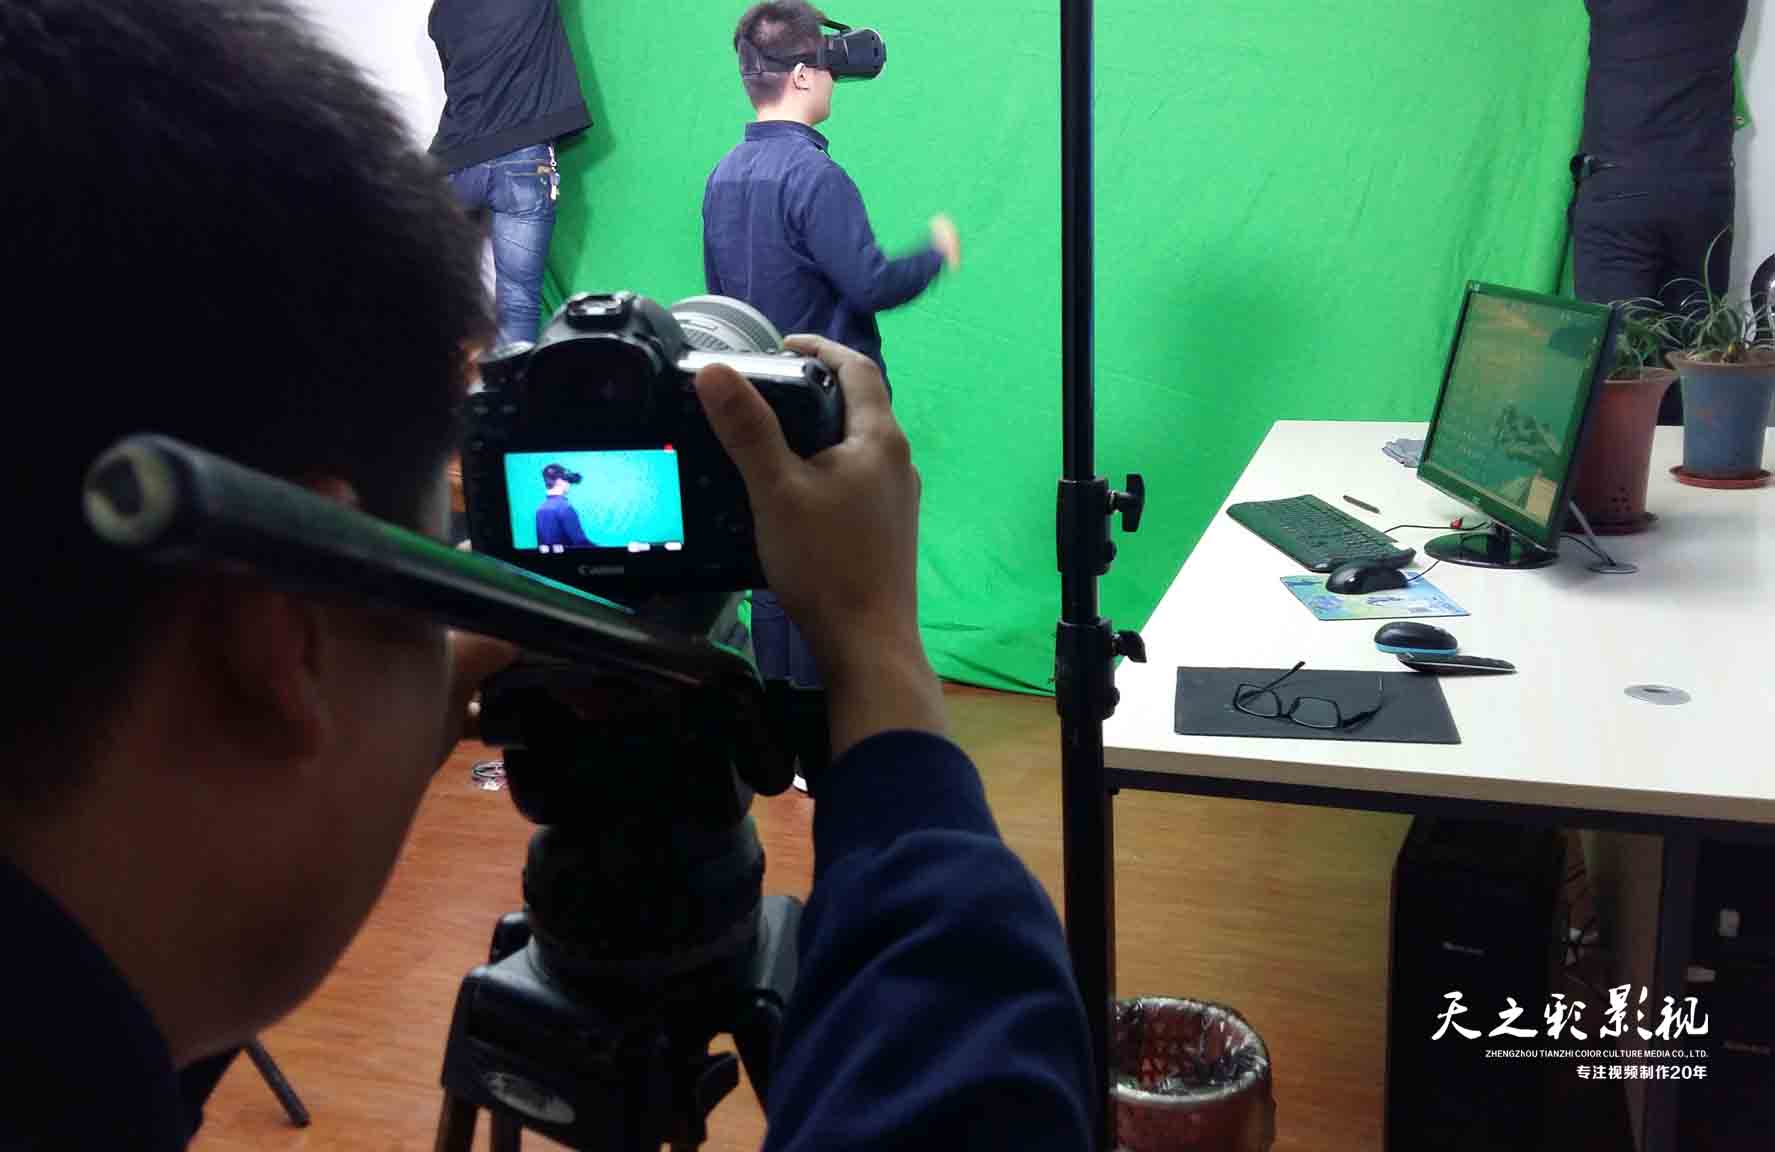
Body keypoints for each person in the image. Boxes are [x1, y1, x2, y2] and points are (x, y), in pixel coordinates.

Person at [0, 3, 1093, 1150]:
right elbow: (967, 1088)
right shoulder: (811, 178)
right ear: (287, 637)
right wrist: (875, 656)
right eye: (441, 545)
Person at [704, 0, 962, 733]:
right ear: (802, 76)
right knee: (838, 571)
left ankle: (782, 733)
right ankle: (834, 735)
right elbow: (870, 283)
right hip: (824, 406)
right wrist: (934, 254)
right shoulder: (816, 178)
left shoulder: (723, 176)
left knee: (774, 560)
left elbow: (720, 307)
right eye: (825, 67)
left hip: (755, 403)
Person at [1569, 0, 1751, 425]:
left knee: (1616, 376)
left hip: (1620, 186)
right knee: (1690, 370)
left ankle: (1623, 468)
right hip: (1704, 192)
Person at [429, 0, 591, 349]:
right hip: (522, 159)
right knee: (517, 303)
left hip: (452, 164)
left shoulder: (439, 13)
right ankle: (506, 383)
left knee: (439, 303)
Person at [536, 462, 592, 549]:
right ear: (559, 481)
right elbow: (580, 543)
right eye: (567, 480)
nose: (569, 484)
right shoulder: (565, 508)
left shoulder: (540, 509)